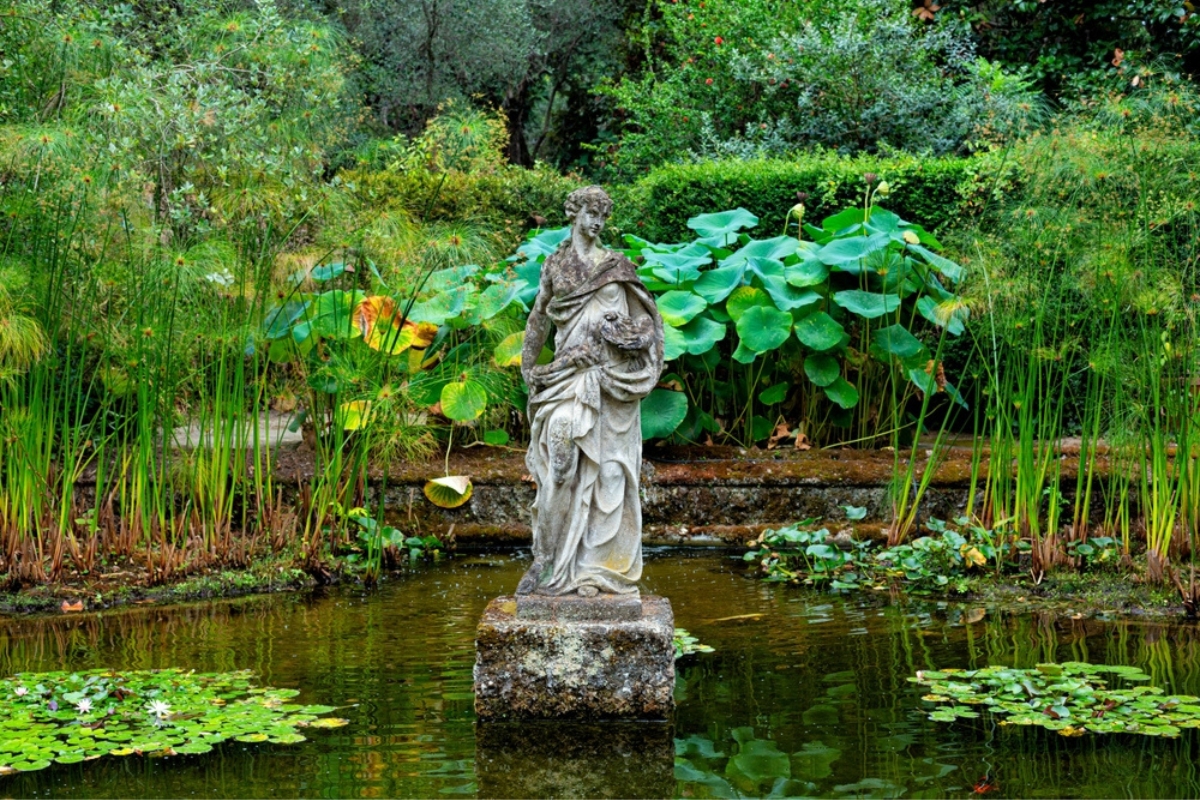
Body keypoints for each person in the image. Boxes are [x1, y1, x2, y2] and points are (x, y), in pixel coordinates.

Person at [516, 186, 664, 597]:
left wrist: (623, 334)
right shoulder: (557, 267)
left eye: (602, 216)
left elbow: (647, 325)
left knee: (611, 474)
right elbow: (538, 320)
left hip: (610, 382)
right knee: (560, 459)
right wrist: (531, 368)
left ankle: (595, 571)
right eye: (590, 213)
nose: (597, 222)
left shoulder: (616, 266)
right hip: (566, 378)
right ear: (574, 213)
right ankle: (547, 562)